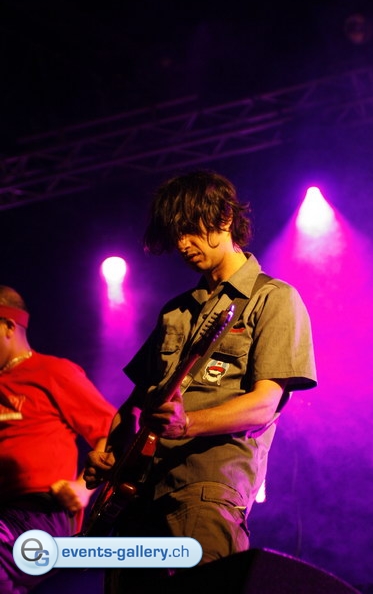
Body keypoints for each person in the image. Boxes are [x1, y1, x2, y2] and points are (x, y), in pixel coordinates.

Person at [84, 170, 317, 593]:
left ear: (224, 218)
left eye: (190, 230)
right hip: (138, 496)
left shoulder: (273, 298)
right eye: (175, 235)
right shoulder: (175, 311)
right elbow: (137, 400)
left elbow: (265, 403)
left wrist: (188, 424)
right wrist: (110, 449)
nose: (181, 244)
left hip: (206, 486)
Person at [0, 285, 116, 594]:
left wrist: (82, 488)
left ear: (8, 326)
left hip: (42, 510)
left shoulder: (52, 372)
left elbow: (112, 431)